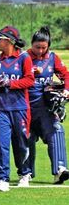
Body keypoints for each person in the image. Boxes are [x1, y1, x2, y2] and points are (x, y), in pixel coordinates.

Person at [0, 26, 34, 191]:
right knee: (2, 144)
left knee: (21, 143)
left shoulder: (24, 58)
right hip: (0, 108)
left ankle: (24, 174)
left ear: (8, 40)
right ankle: (2, 179)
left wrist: (11, 83)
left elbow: (29, 80)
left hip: (20, 107)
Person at [25, 26, 69, 184]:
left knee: (56, 131)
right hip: (25, 106)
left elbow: (66, 75)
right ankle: (26, 172)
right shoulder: (24, 57)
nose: (40, 51)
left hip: (45, 107)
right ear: (31, 44)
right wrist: (30, 71)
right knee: (26, 138)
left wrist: (66, 91)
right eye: (37, 47)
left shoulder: (52, 58)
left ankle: (60, 170)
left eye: (44, 47)